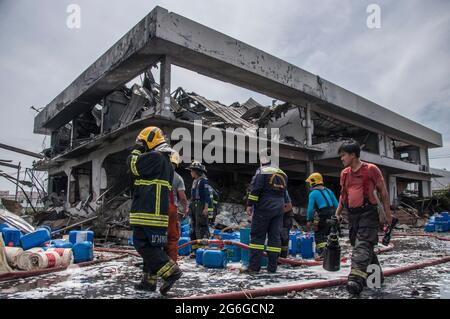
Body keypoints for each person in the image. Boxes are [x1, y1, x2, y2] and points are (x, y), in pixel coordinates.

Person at [127, 126, 182, 295]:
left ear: (150, 141)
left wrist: (135, 151)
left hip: (148, 210)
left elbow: (133, 166)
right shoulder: (165, 160)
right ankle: (148, 281)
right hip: (156, 211)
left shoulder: (156, 157)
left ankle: (171, 272)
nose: (142, 147)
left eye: (143, 144)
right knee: (153, 246)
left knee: (141, 243)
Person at [334, 140, 393, 295]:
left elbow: (384, 192)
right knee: (362, 246)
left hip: (369, 213)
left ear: (353, 155)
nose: (342, 158)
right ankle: (376, 277)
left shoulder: (371, 169)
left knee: (362, 246)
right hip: (352, 215)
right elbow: (343, 195)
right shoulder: (345, 173)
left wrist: (388, 215)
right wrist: (338, 213)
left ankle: (355, 279)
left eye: (343, 155)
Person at [246, 149, 290, 273]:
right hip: (279, 209)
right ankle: (272, 267)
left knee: (257, 237)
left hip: (264, 207)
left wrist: (250, 204)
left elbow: (255, 190)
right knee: (274, 238)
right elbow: (284, 194)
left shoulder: (262, 171)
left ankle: (254, 268)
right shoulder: (283, 174)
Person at [305, 172, 339, 259]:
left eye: (309, 182)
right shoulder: (329, 190)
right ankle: (332, 253)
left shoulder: (313, 193)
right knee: (330, 234)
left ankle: (323, 255)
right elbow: (337, 204)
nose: (309, 184)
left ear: (313, 182)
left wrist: (309, 220)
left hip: (324, 215)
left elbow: (310, 209)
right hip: (333, 214)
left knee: (319, 234)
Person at [165, 151, 188, 264]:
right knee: (172, 237)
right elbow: (182, 198)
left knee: (155, 235)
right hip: (170, 209)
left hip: (154, 208)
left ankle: (155, 262)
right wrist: (185, 209)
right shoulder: (178, 178)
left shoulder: (157, 174)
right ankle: (172, 263)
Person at [188, 161, 212, 250]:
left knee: (201, 227)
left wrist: (206, 208)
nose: (191, 172)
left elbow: (207, 196)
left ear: (196, 171)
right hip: (194, 206)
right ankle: (195, 250)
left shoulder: (203, 181)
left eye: (192, 171)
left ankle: (203, 248)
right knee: (193, 227)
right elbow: (192, 196)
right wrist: (189, 207)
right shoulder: (194, 181)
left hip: (200, 206)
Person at [280, 191, 294, 258]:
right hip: (284, 217)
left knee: (284, 237)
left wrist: (276, 213)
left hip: (286, 218)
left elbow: (289, 206)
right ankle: (280, 257)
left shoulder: (283, 191)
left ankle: (283, 257)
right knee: (281, 238)